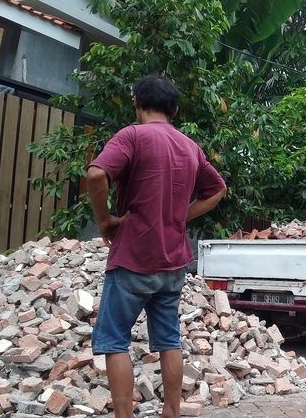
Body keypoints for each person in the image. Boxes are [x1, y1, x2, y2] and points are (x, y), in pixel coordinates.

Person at [87, 75, 227, 418]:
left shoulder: (132, 136)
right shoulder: (190, 146)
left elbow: (95, 174)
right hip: (173, 263)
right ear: (174, 110)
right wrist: (180, 216)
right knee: (168, 340)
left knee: (114, 341)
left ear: (137, 104)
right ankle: (171, 411)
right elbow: (217, 189)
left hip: (132, 258)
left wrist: (104, 220)